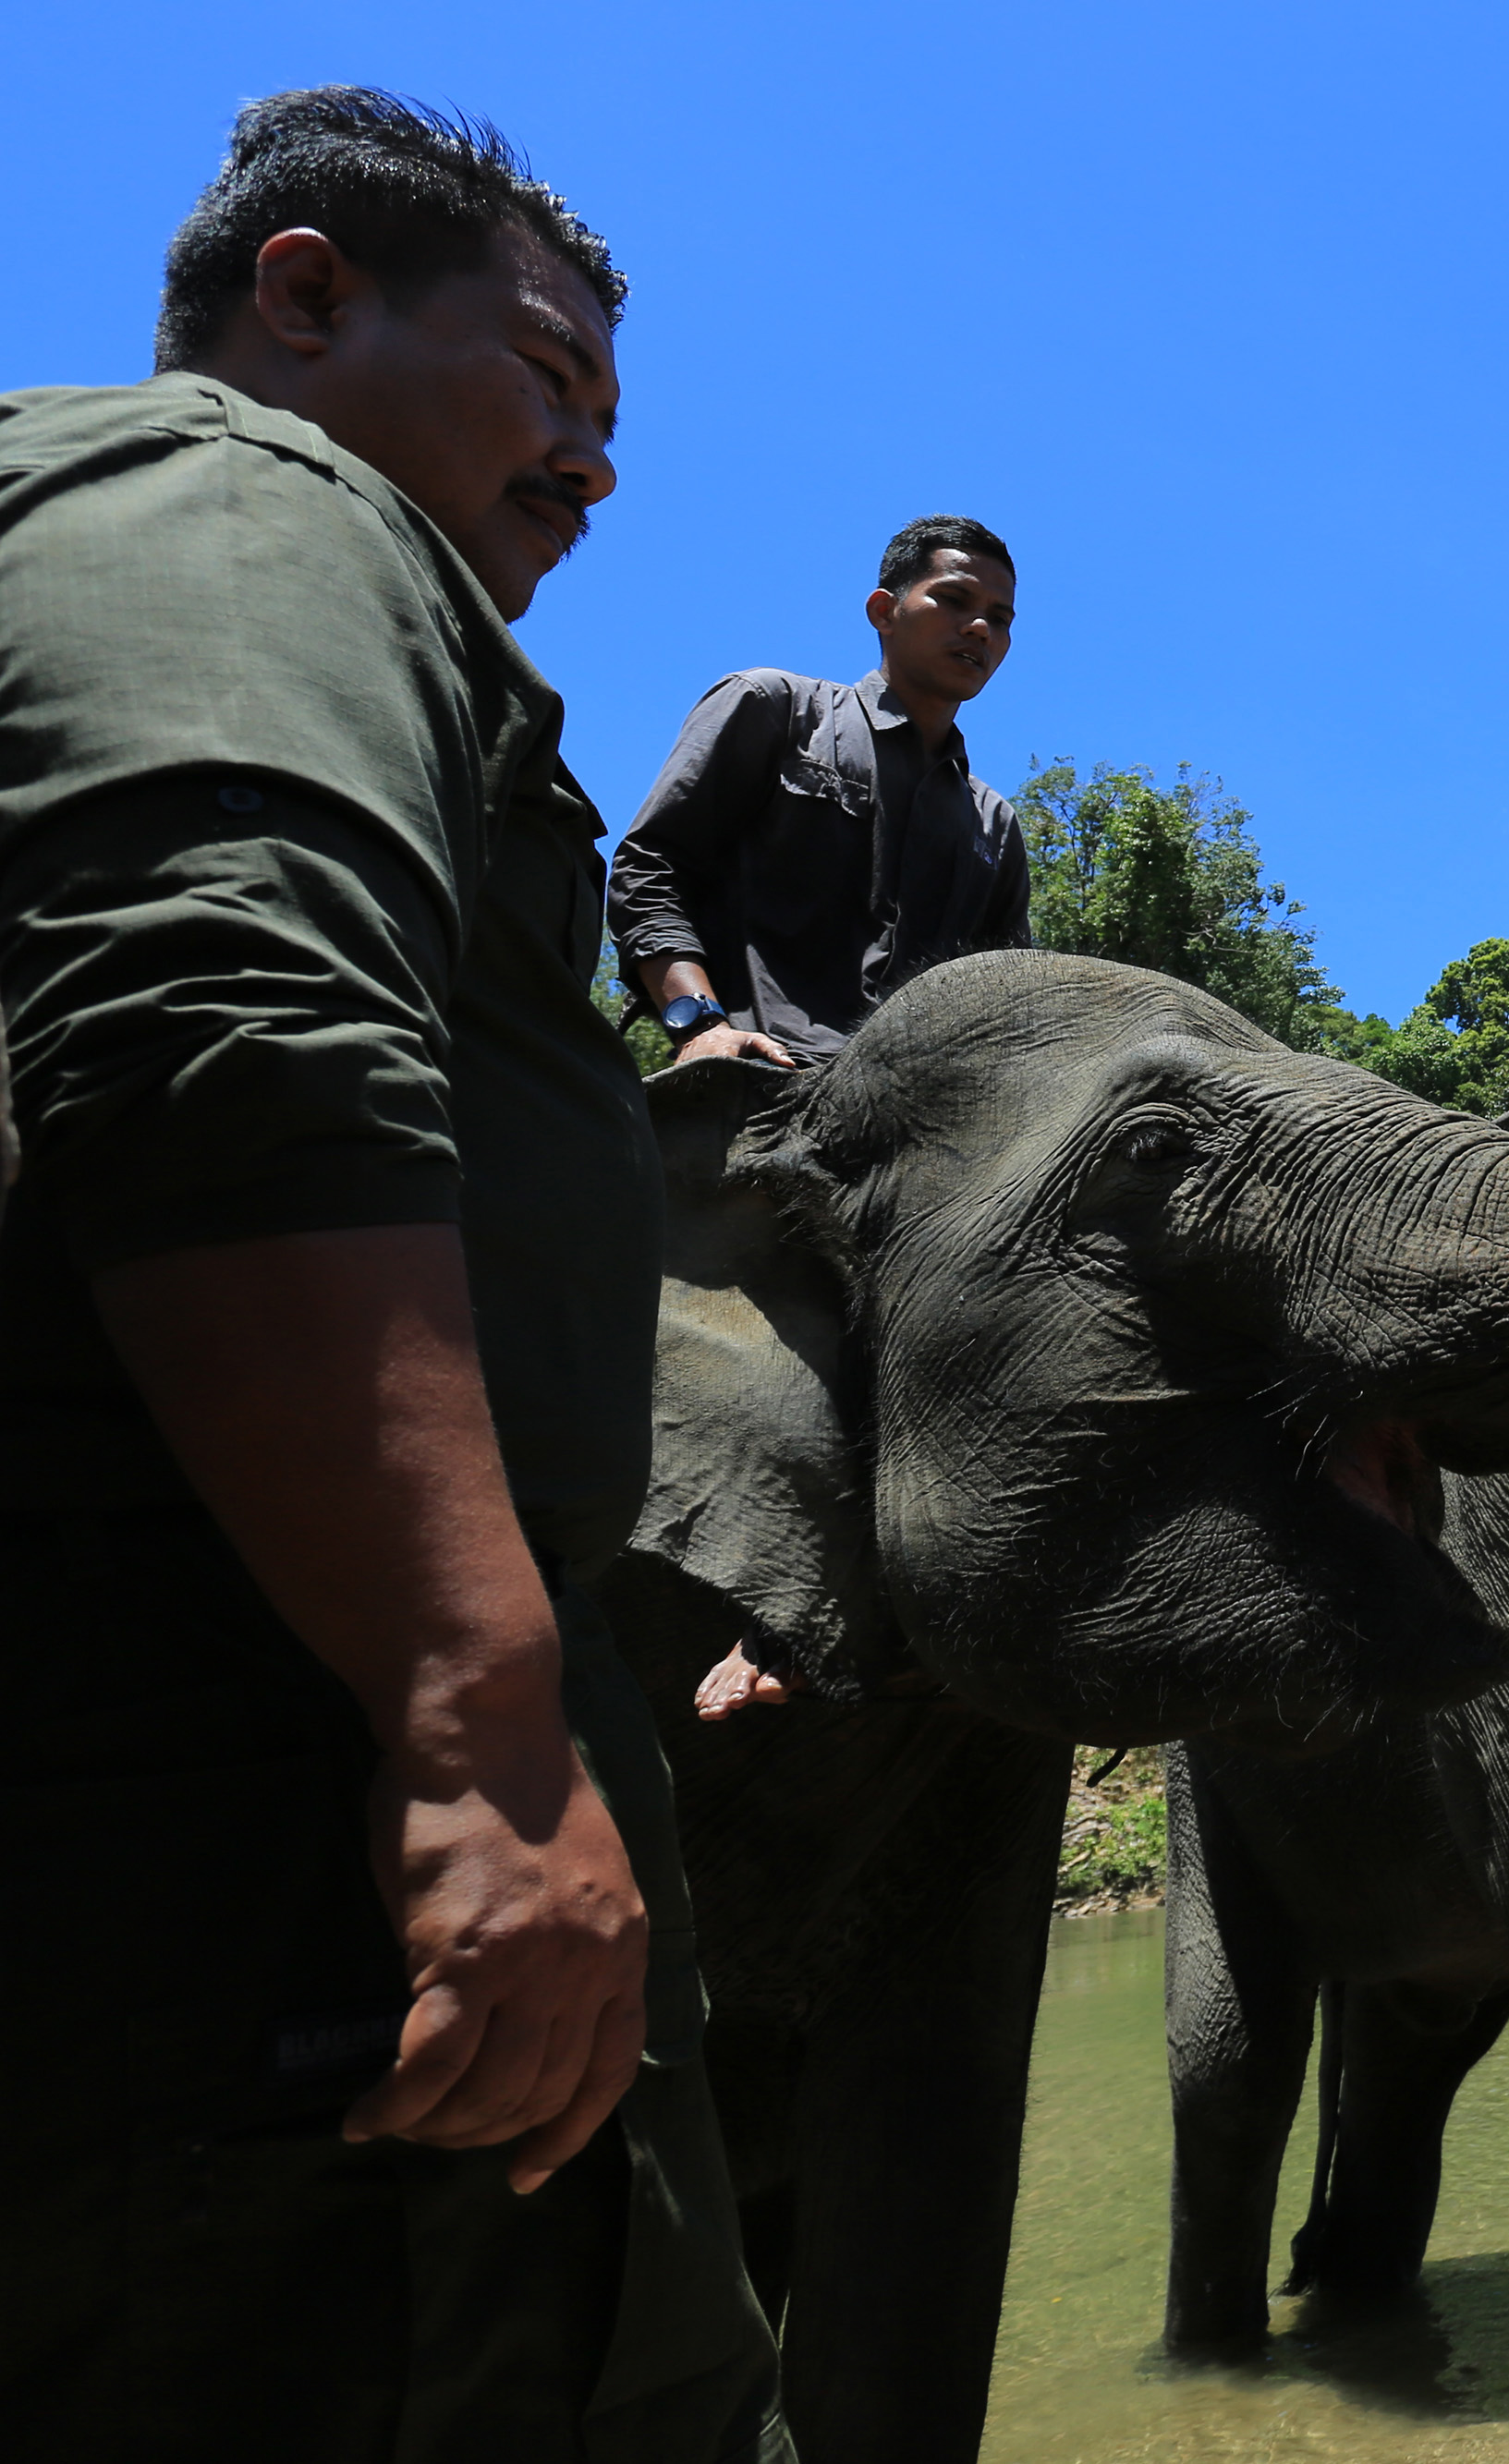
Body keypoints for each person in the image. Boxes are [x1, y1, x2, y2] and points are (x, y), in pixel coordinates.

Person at [0, 91, 787, 2458]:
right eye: (547, 376)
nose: (594, 458)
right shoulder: (246, 501)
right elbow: (222, 1024)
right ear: (308, 296)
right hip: (272, 1823)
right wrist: (474, 1720)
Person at [610, 513, 1028, 1064]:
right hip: (756, 1083)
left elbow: (1010, 1001)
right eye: (953, 600)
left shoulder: (994, 825)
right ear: (884, 611)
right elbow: (649, 869)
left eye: (999, 619)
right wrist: (701, 1025)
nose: (979, 628)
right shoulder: (775, 709)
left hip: (918, 1110)